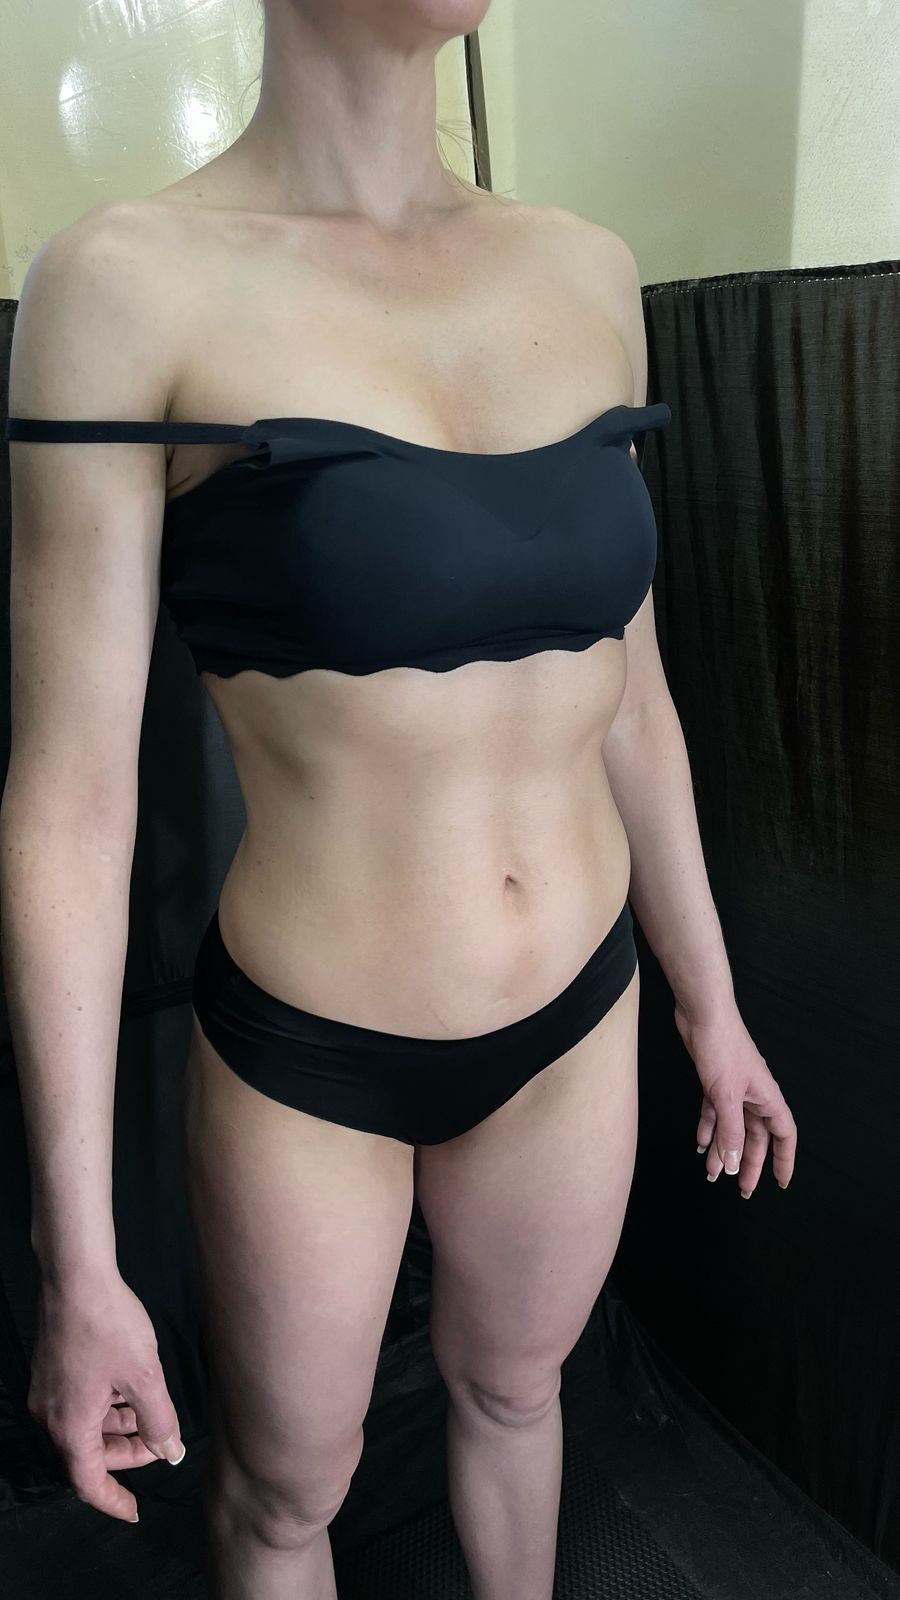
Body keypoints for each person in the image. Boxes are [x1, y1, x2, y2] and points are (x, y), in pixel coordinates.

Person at [1, 2, 797, 1597]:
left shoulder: (584, 270)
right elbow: (71, 803)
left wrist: (709, 1001)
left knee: (517, 1395)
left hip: (575, 1020)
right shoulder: (127, 283)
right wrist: (77, 1257)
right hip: (315, 1053)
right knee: (285, 1497)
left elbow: (630, 694)